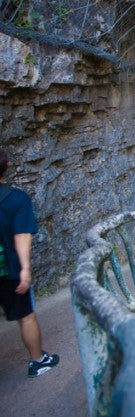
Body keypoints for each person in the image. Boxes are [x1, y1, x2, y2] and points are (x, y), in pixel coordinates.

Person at [0, 150, 59, 378]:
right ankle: (38, 361)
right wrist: (25, 269)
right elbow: (22, 235)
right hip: (9, 270)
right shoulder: (16, 199)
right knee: (26, 316)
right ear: (6, 166)